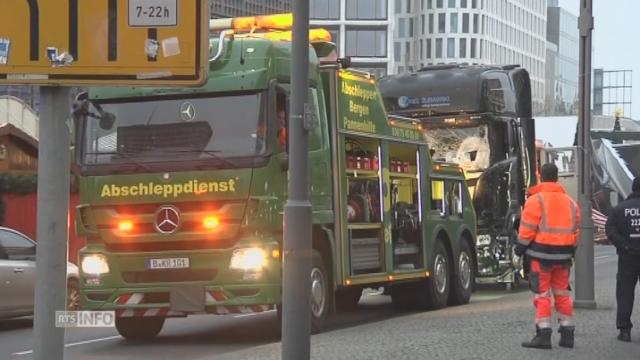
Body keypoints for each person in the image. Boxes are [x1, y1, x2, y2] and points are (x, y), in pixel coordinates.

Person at [514, 163, 581, 349]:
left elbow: (527, 230)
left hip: (540, 256)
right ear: (557, 177)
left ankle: (543, 335)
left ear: (541, 178)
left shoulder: (536, 201)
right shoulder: (571, 202)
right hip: (563, 257)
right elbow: (576, 232)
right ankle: (567, 334)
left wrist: (519, 251)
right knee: (562, 294)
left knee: (542, 295)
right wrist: (570, 252)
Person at [605, 177, 640, 342]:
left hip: (627, 257)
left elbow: (610, 229)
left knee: (625, 293)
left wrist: (623, 245)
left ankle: (624, 330)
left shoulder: (620, 209)